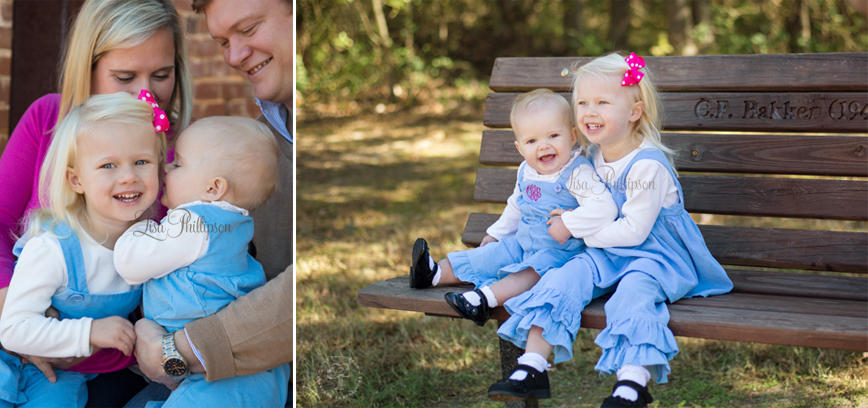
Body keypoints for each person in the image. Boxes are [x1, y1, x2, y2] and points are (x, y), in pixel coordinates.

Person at [489, 53, 734, 407]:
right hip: (605, 254)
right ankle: (532, 367)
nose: (589, 111)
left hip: (652, 258)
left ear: (634, 111)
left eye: (603, 102)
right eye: (583, 102)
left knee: (632, 297)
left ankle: (632, 385)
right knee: (562, 280)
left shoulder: (648, 165)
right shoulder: (591, 157)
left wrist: (573, 228)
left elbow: (634, 232)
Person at [0, 0, 193, 405]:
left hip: (106, 364)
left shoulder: (181, 160)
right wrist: (25, 320)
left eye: (161, 75)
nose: (145, 93)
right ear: (87, 70)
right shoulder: (46, 119)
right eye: (124, 76)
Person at [129, 0, 293, 404]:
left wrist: (172, 352)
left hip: (227, 374)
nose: (234, 56)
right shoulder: (252, 149)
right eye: (222, 41)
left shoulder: (245, 165)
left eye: (250, 28)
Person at [0, 92, 165, 407]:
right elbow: (14, 329)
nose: (129, 175)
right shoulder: (54, 248)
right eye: (108, 165)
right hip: (9, 360)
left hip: (61, 374)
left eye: (141, 161)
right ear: (76, 180)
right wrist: (90, 331)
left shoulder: (153, 243)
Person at [113, 116, 289, 407]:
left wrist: (139, 221)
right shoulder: (233, 224)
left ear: (213, 189)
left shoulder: (193, 221)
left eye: (178, 164)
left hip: (220, 376)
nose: (166, 169)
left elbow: (130, 263)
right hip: (238, 368)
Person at [410, 89, 618, 330]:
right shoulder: (526, 171)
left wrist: (570, 223)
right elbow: (515, 206)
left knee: (530, 273)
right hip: (522, 243)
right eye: (532, 141)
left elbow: (605, 208)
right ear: (520, 148)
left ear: (572, 136)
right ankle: (433, 273)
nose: (543, 146)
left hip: (560, 255)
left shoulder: (578, 172)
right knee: (487, 255)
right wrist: (497, 234)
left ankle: (484, 299)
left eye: (553, 135)